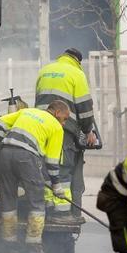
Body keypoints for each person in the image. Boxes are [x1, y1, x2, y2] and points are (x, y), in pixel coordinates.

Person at [0, 100, 71, 253]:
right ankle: (34, 251)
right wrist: (57, 186)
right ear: (57, 113)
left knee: (8, 202)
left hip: (6, 155)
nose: (64, 124)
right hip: (27, 158)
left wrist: (0, 146)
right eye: (65, 119)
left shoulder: (28, 112)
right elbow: (52, 161)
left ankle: (11, 249)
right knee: (37, 203)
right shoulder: (56, 127)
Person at [35, 48, 98, 217]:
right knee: (62, 168)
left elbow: (38, 101)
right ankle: (62, 213)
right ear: (77, 61)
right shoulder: (77, 74)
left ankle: (47, 208)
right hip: (63, 130)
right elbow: (84, 109)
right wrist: (88, 131)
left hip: (40, 128)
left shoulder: (45, 70)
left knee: (45, 168)